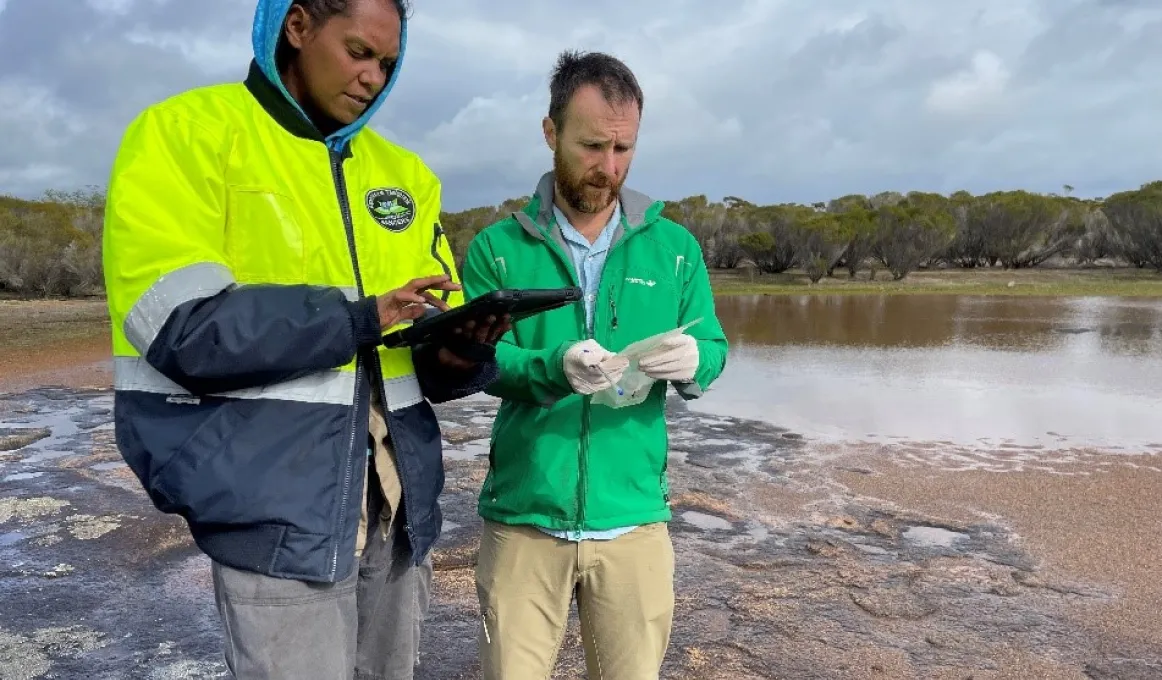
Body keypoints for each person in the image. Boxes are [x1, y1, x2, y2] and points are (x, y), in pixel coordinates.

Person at [101, 0, 509, 677]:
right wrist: (359, 316)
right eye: (358, 52)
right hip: (273, 511)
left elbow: (427, 370)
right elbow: (181, 328)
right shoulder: (183, 134)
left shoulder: (406, 175)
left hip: (397, 510)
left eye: (388, 63)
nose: (373, 78)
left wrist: (465, 346)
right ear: (296, 26)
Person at [461, 50, 730, 679]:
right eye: (590, 147)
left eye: (623, 150)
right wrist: (552, 366)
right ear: (550, 131)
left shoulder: (675, 249)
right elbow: (476, 360)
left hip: (634, 519)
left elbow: (714, 348)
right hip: (524, 519)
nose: (607, 168)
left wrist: (695, 362)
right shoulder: (498, 249)